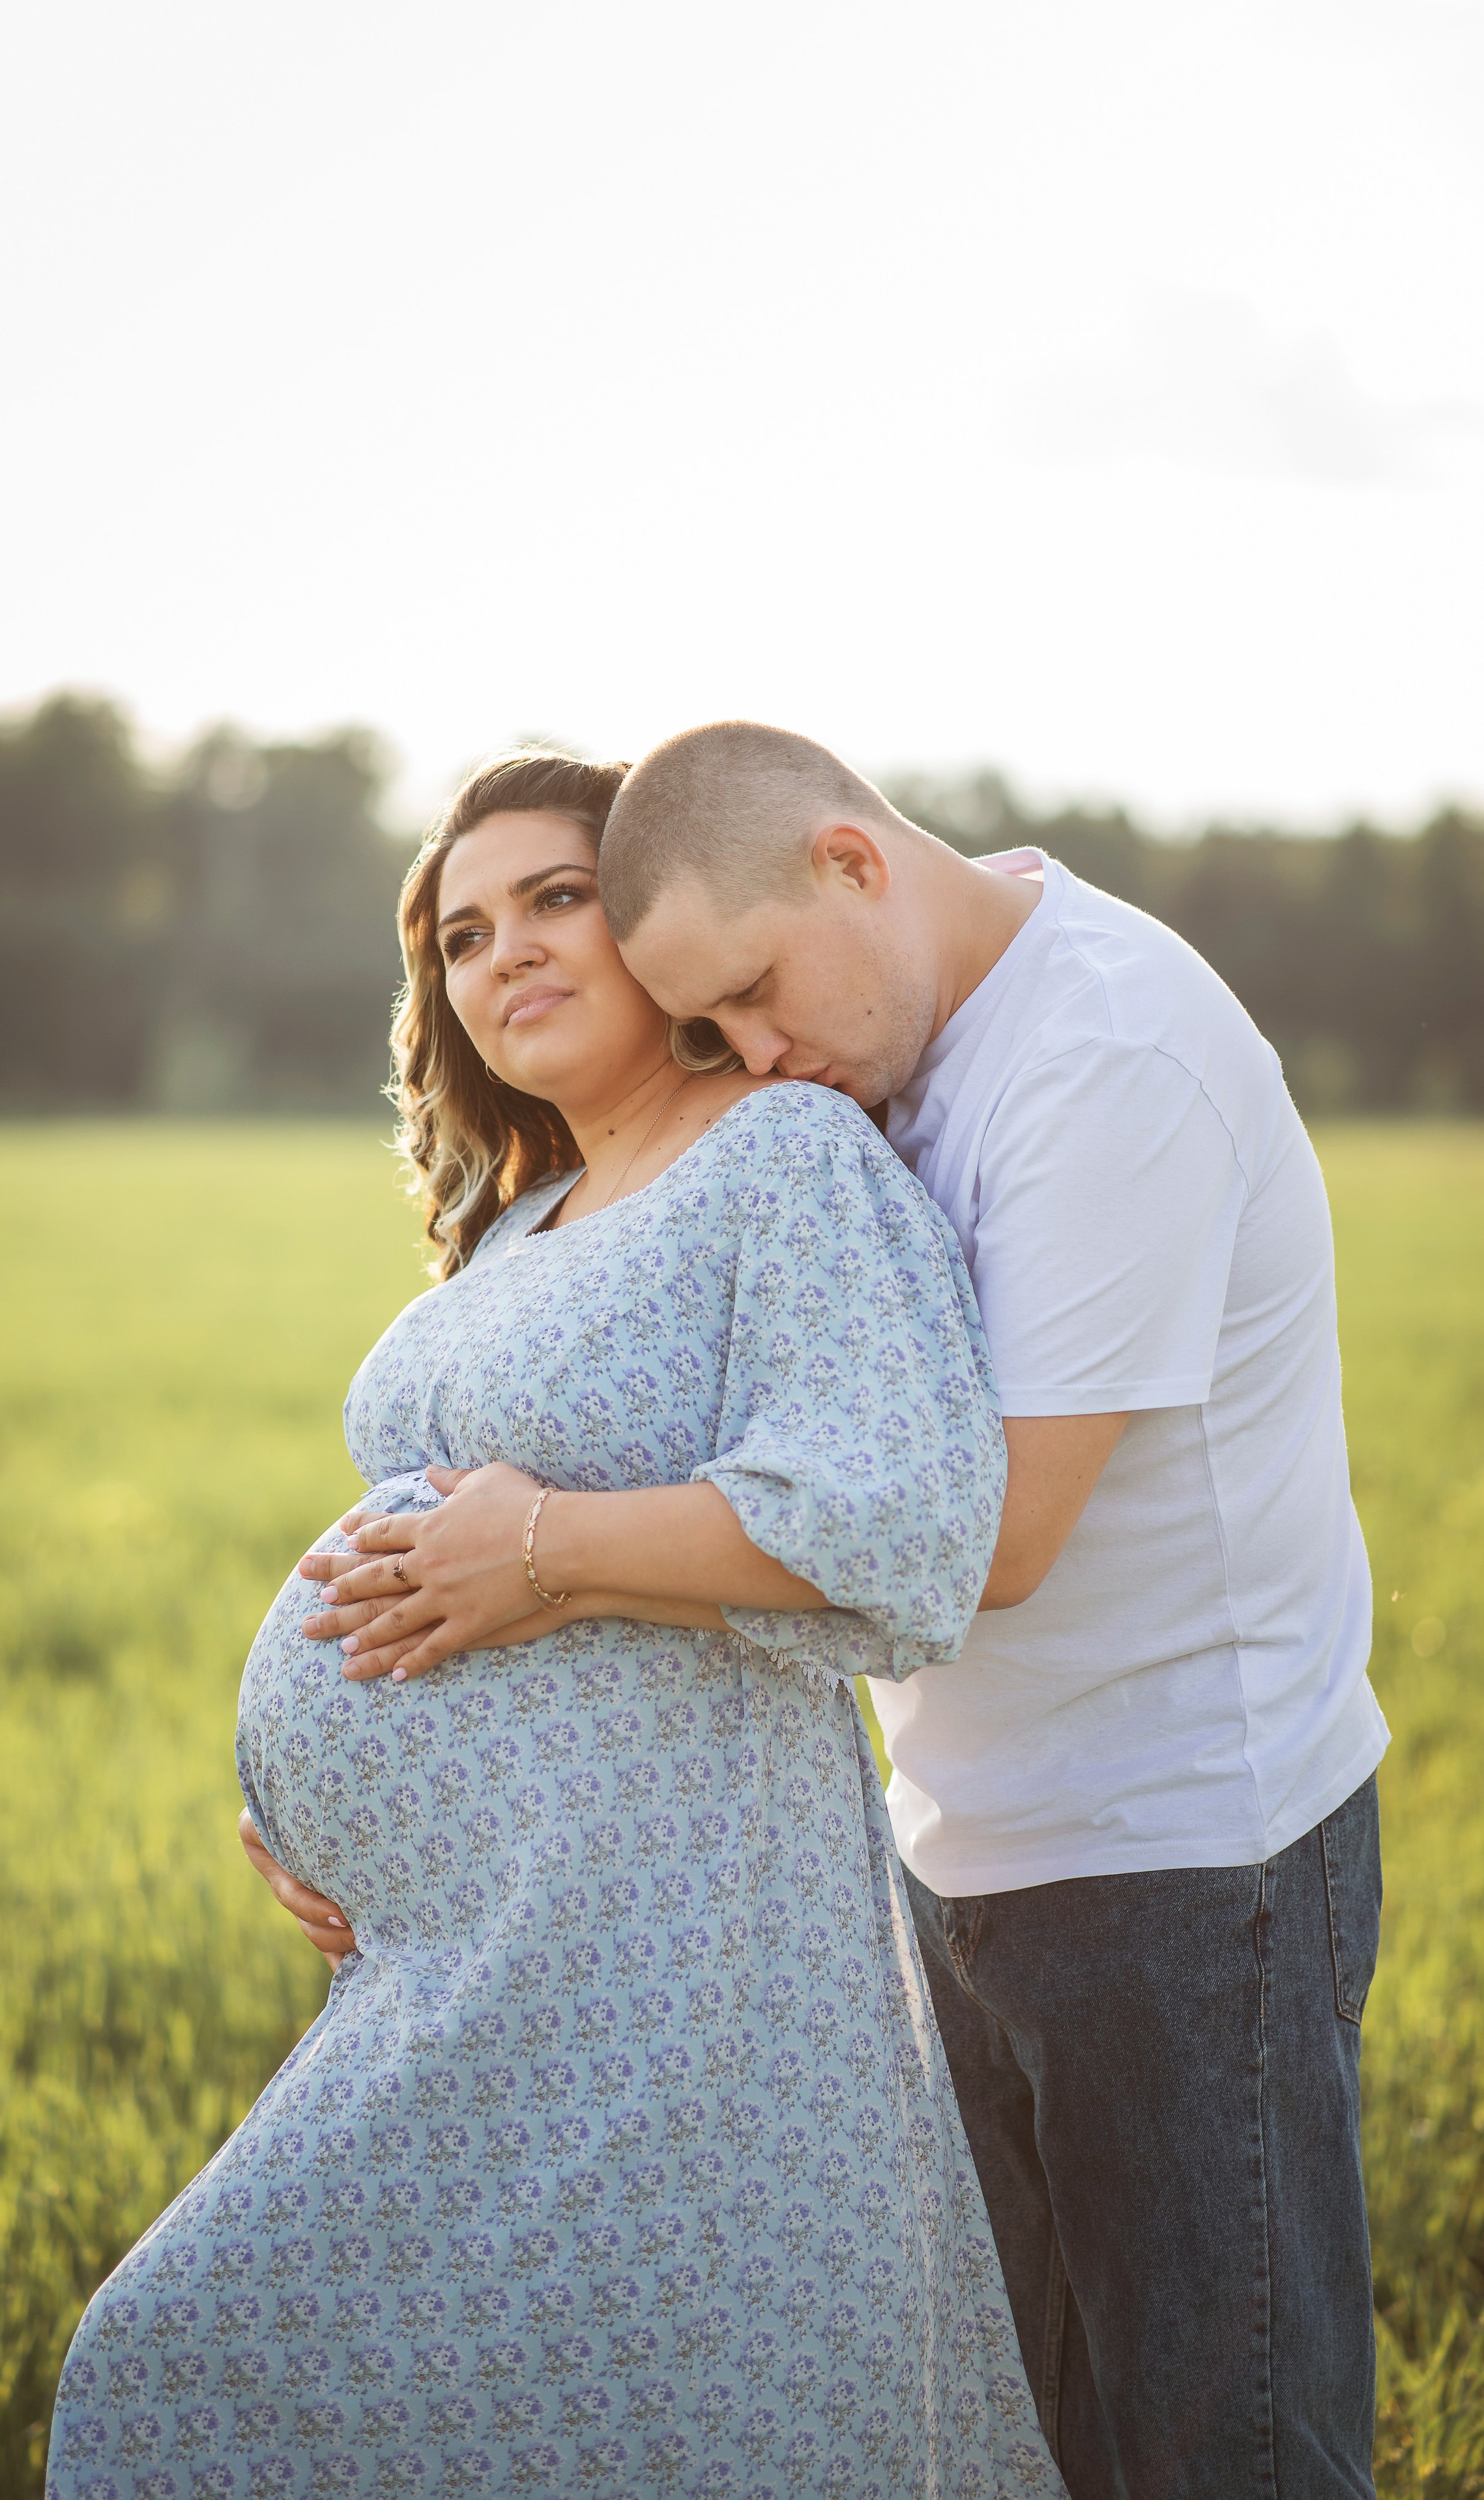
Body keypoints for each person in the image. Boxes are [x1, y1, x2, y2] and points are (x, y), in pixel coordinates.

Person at [47, 750, 1064, 2500]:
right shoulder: (517, 1223)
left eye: (555, 898)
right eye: (458, 934)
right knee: (230, 2374)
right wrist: (315, 1812)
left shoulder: (784, 1162)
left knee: (210, 2360)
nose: (500, 949)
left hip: (673, 1959)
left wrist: (547, 1555)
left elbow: (901, 1516)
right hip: (467, 1955)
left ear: (659, 930)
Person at [590, 720, 1386, 2500]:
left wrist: (557, 1557)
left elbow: (992, 1535)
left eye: (759, 994)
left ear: (854, 862)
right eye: (716, 1036)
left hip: (1191, 1865)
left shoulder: (1103, 1052)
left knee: (1226, 2457)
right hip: (964, 1856)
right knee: (1048, 2450)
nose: (761, 1060)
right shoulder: (880, 1065)